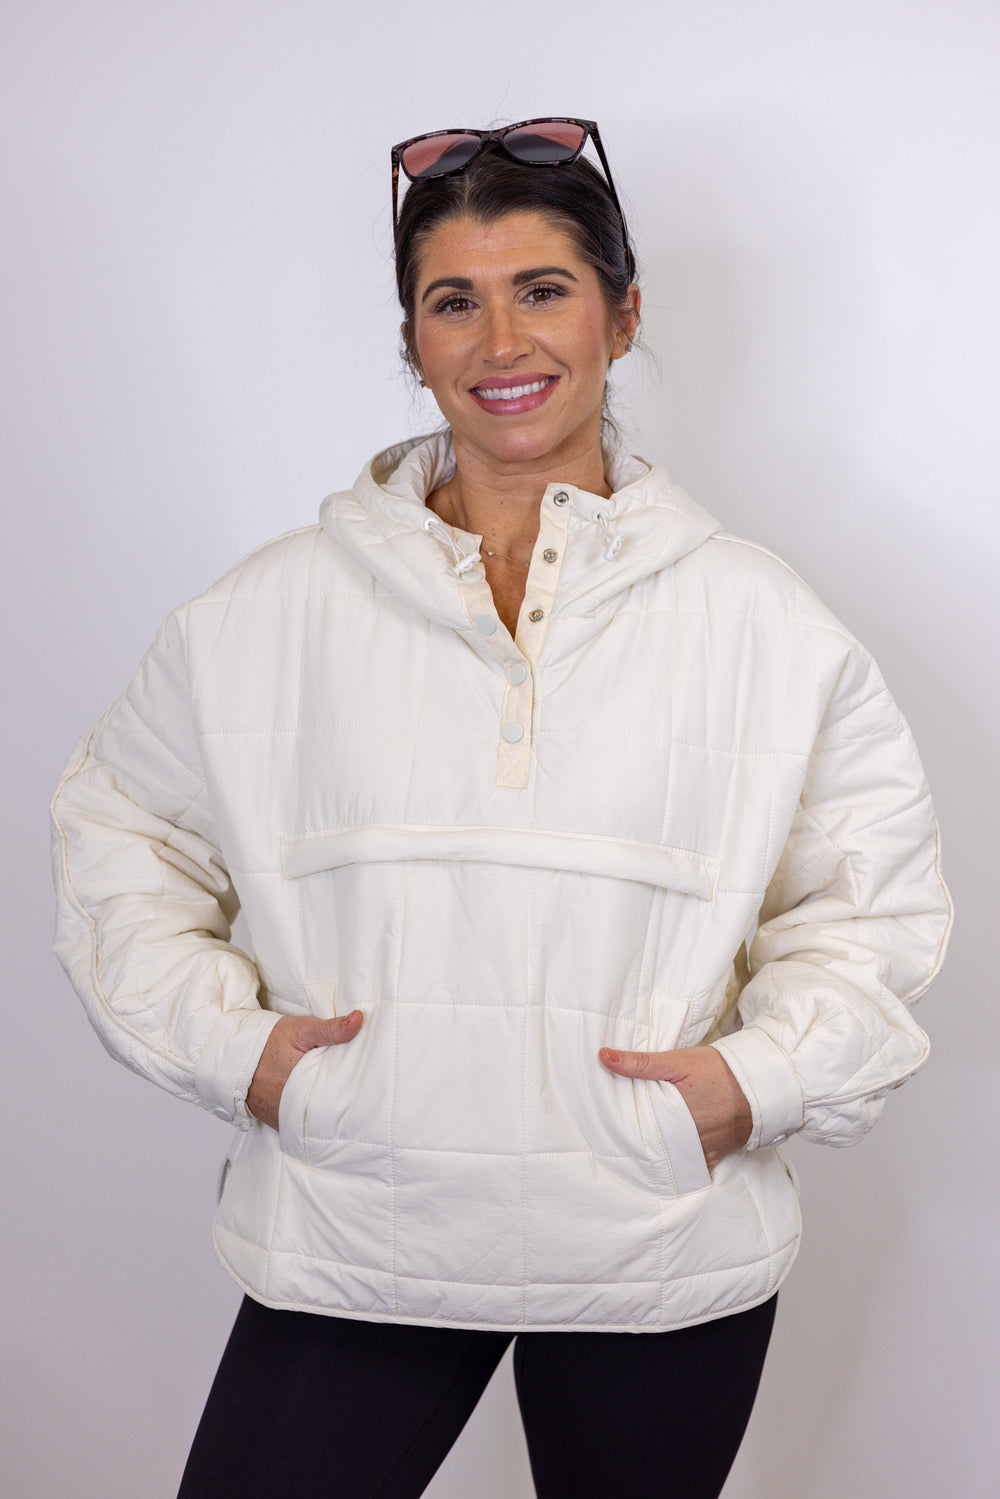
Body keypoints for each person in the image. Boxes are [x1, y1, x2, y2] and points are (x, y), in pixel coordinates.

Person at [51, 118, 951, 1499]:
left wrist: (754, 1083)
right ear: (412, 342)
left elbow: (866, 905)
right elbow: (122, 836)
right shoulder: (264, 613)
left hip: (659, 1239)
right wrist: (240, 1052)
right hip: (357, 1221)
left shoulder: (764, 621)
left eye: (543, 289)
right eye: (453, 302)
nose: (501, 343)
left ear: (622, 317)